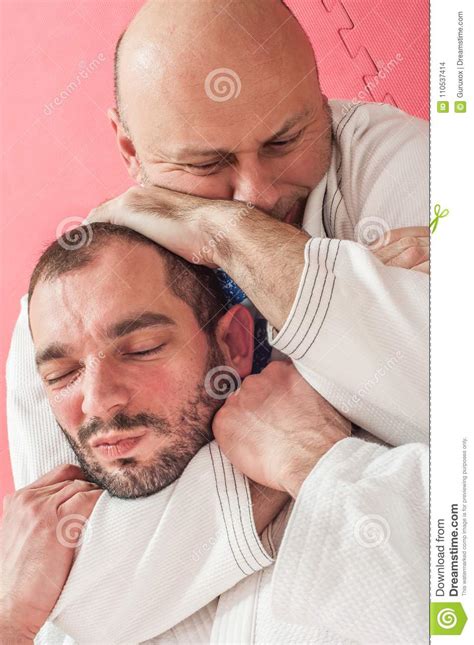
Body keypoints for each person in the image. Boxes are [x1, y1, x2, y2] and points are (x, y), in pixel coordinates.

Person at [5, 0, 428, 642]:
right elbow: (80, 597)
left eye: (287, 140)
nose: (257, 195)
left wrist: (226, 232)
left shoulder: (404, 163)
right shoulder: (73, 298)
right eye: (205, 166)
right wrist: (312, 430)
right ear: (129, 148)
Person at [2, 224, 426, 644]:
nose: (97, 401)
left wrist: (313, 460)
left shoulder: (394, 483)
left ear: (235, 345)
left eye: (142, 349)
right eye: (62, 374)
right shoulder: (41, 578)